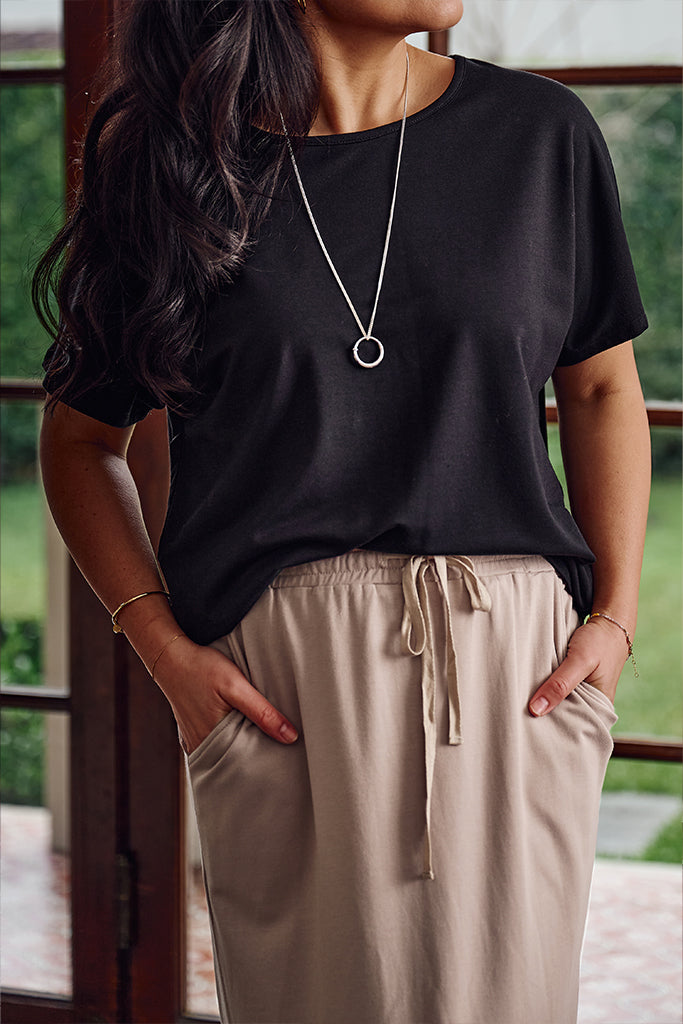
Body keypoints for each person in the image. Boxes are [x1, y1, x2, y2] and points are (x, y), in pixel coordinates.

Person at [36, 1, 651, 1021]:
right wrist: (162, 646)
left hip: (514, 670)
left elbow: (598, 390)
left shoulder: (540, 135)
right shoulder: (168, 164)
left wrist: (613, 621)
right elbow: (80, 439)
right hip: (283, 686)